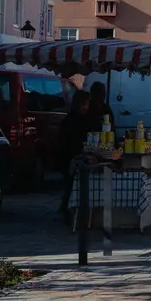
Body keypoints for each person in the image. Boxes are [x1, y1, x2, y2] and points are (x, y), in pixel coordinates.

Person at [57, 90, 99, 224]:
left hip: (76, 155)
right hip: (70, 157)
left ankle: (71, 209)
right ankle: (68, 210)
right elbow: (66, 142)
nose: (85, 107)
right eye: (84, 104)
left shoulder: (88, 118)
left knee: (72, 185)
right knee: (70, 185)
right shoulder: (71, 120)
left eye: (86, 104)